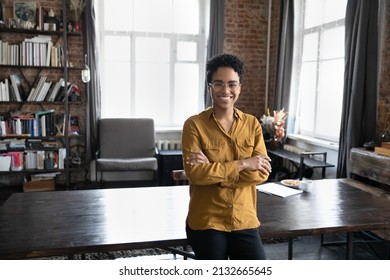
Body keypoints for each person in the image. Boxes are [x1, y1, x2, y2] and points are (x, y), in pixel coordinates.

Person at [181, 53, 272, 260]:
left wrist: (213, 170)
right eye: (218, 84)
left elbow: (261, 174)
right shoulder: (194, 125)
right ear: (209, 87)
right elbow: (195, 175)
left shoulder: (252, 124)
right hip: (207, 221)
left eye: (232, 84)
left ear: (240, 87)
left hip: (244, 219)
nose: (226, 90)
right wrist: (244, 163)